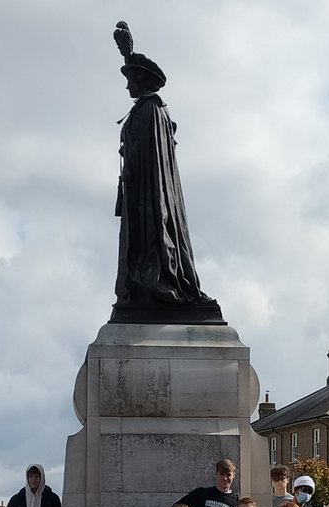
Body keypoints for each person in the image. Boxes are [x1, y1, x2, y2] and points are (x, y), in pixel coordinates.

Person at [111, 21, 217, 313]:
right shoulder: (143, 109)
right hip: (138, 192)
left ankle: (161, 280)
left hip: (150, 193)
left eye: (130, 78)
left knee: (155, 238)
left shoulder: (152, 110)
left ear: (142, 82)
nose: (127, 84)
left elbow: (153, 160)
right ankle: (144, 283)